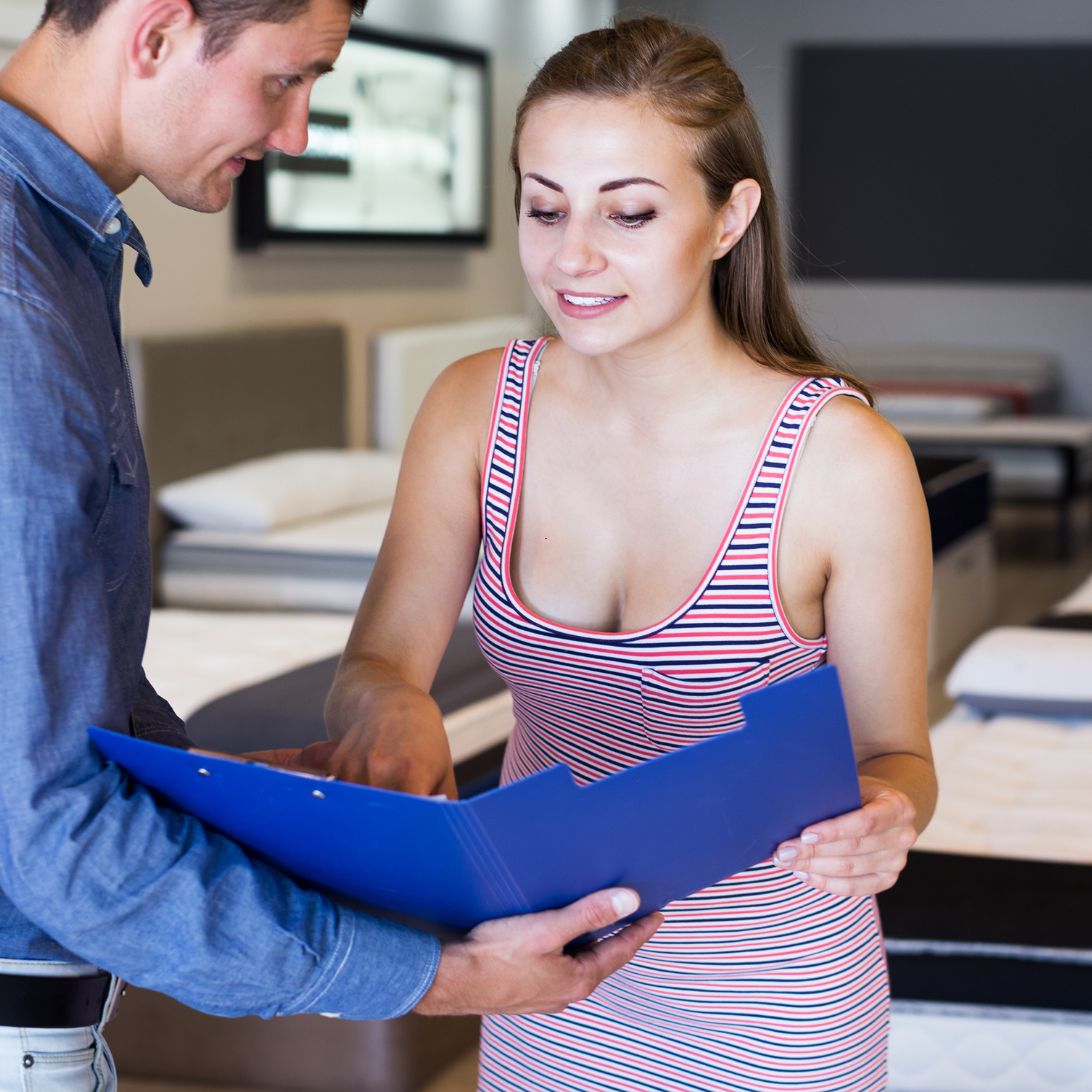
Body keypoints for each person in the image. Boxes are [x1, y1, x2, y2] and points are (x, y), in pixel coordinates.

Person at [0, 1, 661, 1087]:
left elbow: (52, 732)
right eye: (283, 81)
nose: (300, 132)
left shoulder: (61, 253)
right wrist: (441, 976)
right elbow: (54, 829)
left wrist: (231, 788)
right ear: (157, 33)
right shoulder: (17, 300)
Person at [324, 14, 938, 1090]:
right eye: (545, 207)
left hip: (777, 1006)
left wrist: (889, 816)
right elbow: (377, 664)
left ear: (727, 216)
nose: (574, 257)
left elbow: (898, 754)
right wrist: (388, 705)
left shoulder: (843, 462)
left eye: (631, 212)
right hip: (542, 981)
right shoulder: (474, 409)